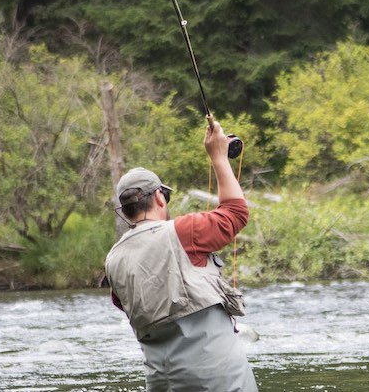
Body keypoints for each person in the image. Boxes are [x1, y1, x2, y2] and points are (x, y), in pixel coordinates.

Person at [106, 119, 258, 392]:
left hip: (161, 381)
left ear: (125, 212)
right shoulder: (183, 231)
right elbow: (236, 212)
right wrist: (219, 158)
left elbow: (126, 305)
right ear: (160, 198)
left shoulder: (113, 260)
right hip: (216, 377)